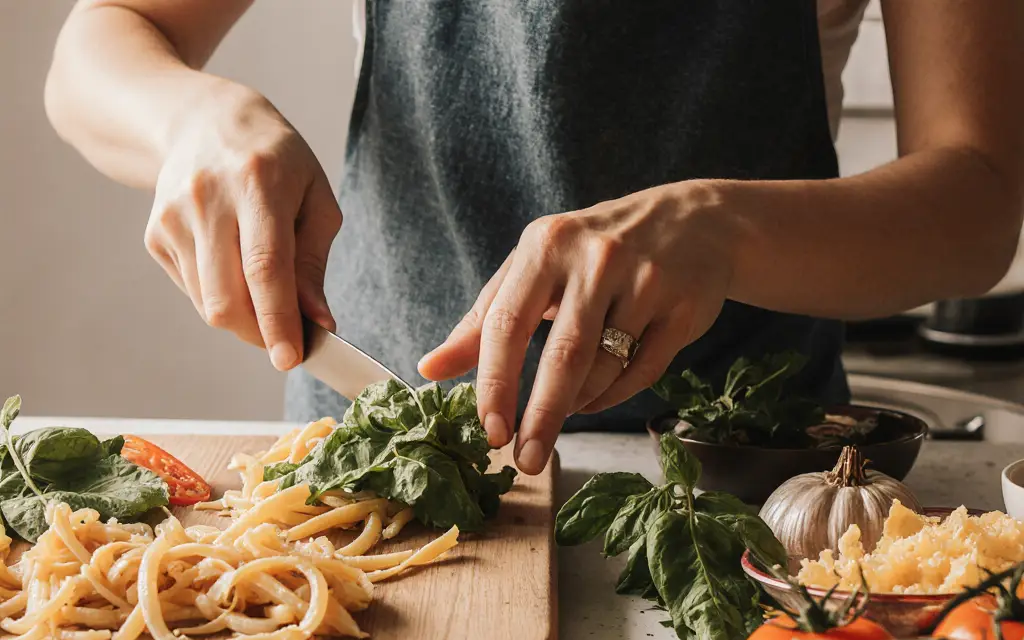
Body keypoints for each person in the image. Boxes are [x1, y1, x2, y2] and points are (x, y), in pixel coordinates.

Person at [45, 1, 1024, 476]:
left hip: (748, 485)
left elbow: (977, 199)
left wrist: (718, 228)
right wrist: (189, 123)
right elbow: (104, 41)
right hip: (379, 464)